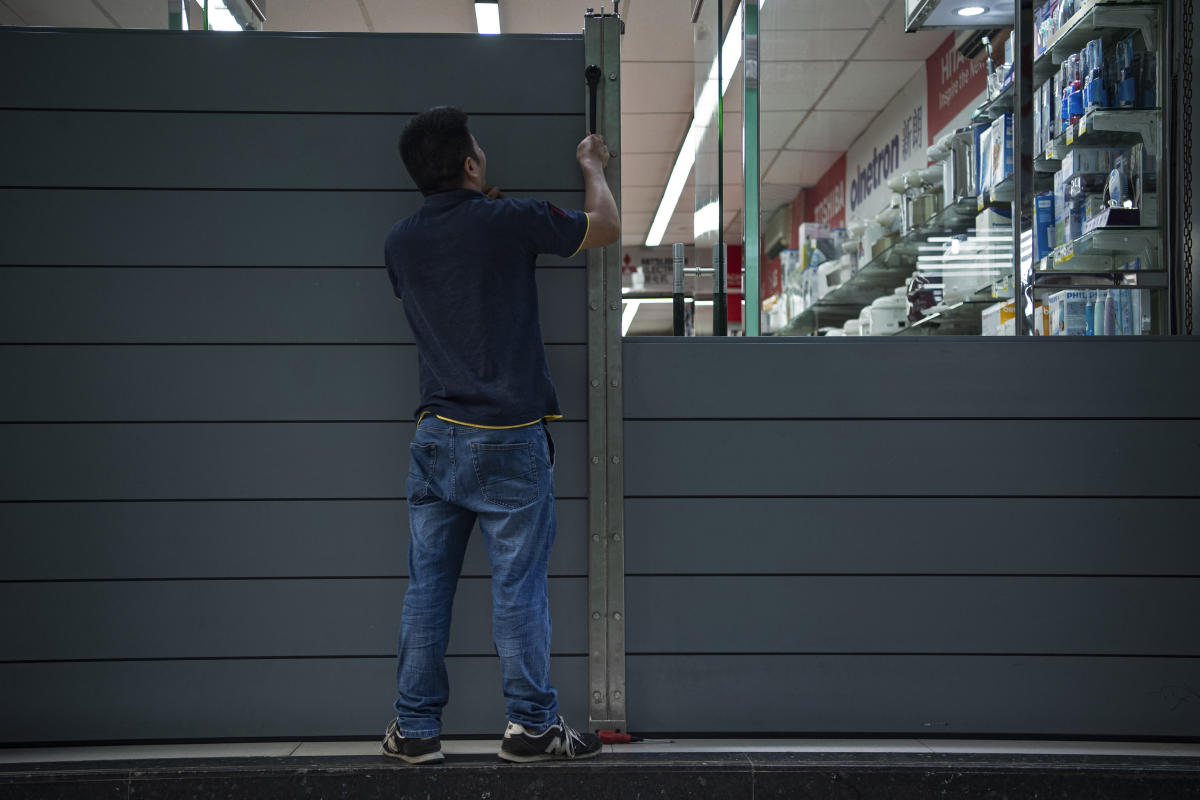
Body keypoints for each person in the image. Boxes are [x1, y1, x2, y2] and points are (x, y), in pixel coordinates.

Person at [380, 106, 619, 764]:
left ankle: (415, 729)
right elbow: (606, 228)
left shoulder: (399, 242)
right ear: (470, 164)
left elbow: (450, 291)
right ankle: (531, 726)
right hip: (508, 437)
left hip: (435, 440)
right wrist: (592, 167)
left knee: (427, 588)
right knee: (518, 589)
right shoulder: (510, 221)